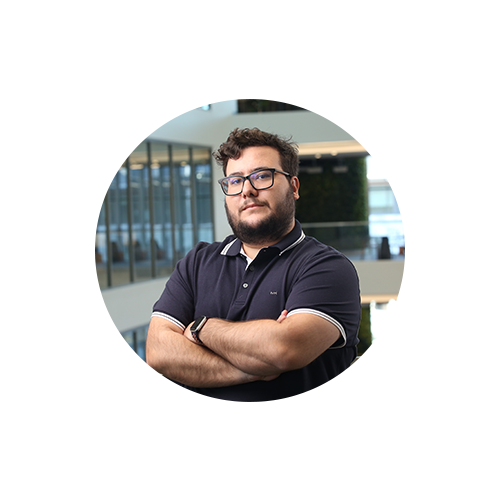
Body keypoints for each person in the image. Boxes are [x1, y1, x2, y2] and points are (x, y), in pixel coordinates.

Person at [146, 128, 361, 402]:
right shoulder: (197, 262)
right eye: (235, 181)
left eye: (262, 176)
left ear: (294, 187)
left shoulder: (327, 268)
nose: (247, 190)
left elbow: (283, 349)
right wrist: (253, 370)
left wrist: (200, 329)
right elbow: (158, 352)